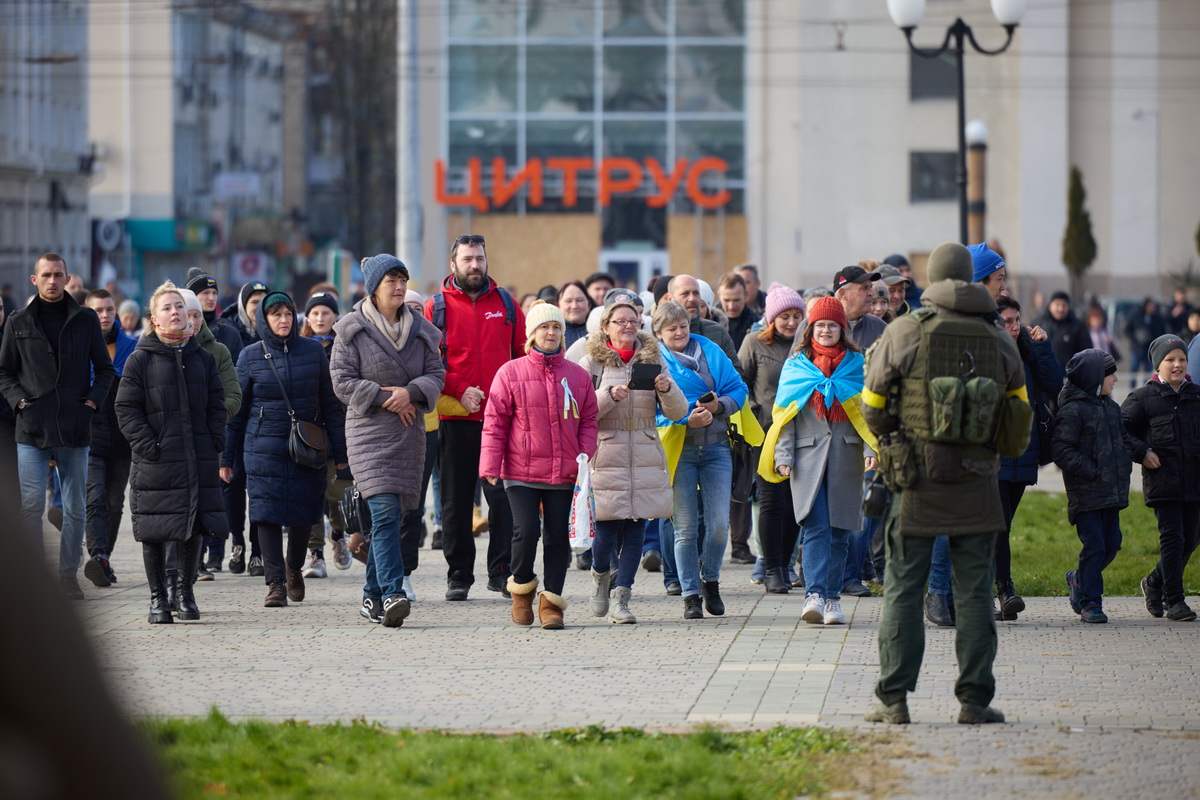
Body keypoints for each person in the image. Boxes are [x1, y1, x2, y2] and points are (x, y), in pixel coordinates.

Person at [862, 241, 1025, 725]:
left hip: (914, 481)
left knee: (903, 591)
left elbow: (873, 403)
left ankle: (894, 700)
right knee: (975, 593)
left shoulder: (906, 330)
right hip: (978, 482)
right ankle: (974, 701)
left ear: (931, 279)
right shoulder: (999, 337)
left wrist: (896, 439)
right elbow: (1018, 416)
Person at [331, 255, 444, 626]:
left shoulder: (423, 330)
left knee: (393, 519)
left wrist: (410, 392)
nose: (398, 287)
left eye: (402, 280)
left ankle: (370, 596)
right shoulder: (350, 329)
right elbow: (342, 381)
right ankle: (394, 591)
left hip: (408, 432)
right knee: (382, 511)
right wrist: (385, 396)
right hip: (368, 432)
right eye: (391, 280)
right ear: (373, 286)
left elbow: (436, 374)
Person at [0, 254, 116, 600]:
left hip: (75, 428)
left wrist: (91, 403)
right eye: (46, 275)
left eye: (58, 275)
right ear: (34, 279)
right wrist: (20, 402)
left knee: (76, 508)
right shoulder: (18, 322)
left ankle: (67, 576)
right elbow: (4, 372)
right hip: (31, 429)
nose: (52, 281)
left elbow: (105, 370)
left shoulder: (85, 320)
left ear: (68, 280)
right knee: (31, 506)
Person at [222, 292, 347, 608]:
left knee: (304, 511)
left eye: (288, 313)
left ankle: (294, 568)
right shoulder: (250, 356)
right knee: (265, 513)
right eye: (276, 314)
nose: (283, 320)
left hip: (307, 445)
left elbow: (330, 404)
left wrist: (342, 453)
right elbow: (237, 410)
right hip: (262, 446)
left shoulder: (313, 352)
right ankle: (275, 582)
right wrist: (226, 457)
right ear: (264, 319)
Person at [481, 301, 599, 629]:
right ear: (531, 334)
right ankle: (521, 590)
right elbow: (495, 422)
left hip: (565, 471)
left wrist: (584, 452)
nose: (551, 333)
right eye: (544, 327)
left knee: (557, 537)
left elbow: (589, 418)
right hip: (520, 471)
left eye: (557, 327)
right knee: (526, 531)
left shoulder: (576, 375)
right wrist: (490, 464)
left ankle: (552, 602)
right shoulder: (511, 372)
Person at [115, 282, 227, 623]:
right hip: (156, 462)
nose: (175, 312)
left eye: (179, 306)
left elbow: (217, 406)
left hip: (197, 458)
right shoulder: (140, 359)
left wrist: (213, 440)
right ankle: (157, 599)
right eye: (167, 307)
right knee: (155, 530)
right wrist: (149, 446)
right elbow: (126, 409)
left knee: (193, 525)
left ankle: (185, 592)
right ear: (155, 319)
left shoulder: (203, 359)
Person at [570, 298, 686, 624]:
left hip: (645, 453)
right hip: (606, 452)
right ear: (606, 327)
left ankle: (622, 598)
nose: (628, 326)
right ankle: (599, 578)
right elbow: (579, 412)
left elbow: (678, 412)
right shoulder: (590, 361)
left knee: (636, 529)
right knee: (606, 531)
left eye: (633, 320)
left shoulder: (653, 357)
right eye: (620, 321)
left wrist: (666, 388)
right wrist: (608, 396)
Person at [762, 296, 876, 626]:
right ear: (811, 328)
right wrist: (783, 455)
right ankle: (813, 594)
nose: (826, 330)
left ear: (843, 328)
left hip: (847, 455)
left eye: (833, 325)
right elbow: (785, 416)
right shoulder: (797, 365)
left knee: (840, 531)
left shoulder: (858, 363)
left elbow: (869, 412)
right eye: (820, 324)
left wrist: (872, 449)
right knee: (815, 526)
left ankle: (832, 599)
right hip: (806, 457)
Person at [425, 234, 526, 601]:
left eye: (479, 258)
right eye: (467, 259)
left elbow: (521, 355)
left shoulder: (508, 304)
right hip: (455, 419)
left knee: (502, 501)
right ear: (453, 265)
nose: (474, 265)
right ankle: (459, 574)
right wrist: (457, 388)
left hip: (501, 421)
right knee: (455, 501)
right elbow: (427, 362)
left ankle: (500, 572)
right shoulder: (434, 308)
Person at [654, 301, 756, 619]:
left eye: (683, 325)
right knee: (685, 527)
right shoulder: (653, 360)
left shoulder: (709, 348)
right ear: (658, 333)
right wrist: (686, 417)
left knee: (718, 526)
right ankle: (690, 594)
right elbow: (650, 410)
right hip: (679, 449)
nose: (680, 332)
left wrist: (719, 406)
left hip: (717, 448)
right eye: (671, 329)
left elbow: (739, 388)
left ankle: (710, 580)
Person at [1122, 335, 1200, 622]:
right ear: (1158, 364)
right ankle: (1175, 601)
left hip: (1194, 481)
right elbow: (1122, 431)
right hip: (1163, 481)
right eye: (1170, 360)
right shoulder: (1144, 398)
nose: (1177, 364)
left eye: (1181, 359)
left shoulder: (1196, 395)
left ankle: (1154, 583)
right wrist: (1142, 452)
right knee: (1172, 538)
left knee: (1190, 539)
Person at [994, 296, 1061, 620]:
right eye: (1007, 321)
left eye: (1017, 319)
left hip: (1023, 448)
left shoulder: (1026, 349)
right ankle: (1004, 589)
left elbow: (1052, 383)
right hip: (993, 450)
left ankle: (999, 590)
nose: (1015, 326)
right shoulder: (987, 351)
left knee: (1003, 524)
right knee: (998, 525)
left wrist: (1043, 348)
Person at [1053, 349, 1131, 624]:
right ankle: (1090, 602)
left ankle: (1078, 579)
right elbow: (1061, 449)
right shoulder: (1072, 411)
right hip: (1087, 494)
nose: (1116, 379)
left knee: (1112, 545)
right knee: (1095, 546)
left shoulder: (1111, 408)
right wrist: (1091, 470)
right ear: (1095, 378)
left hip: (1111, 492)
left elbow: (1124, 440)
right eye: (1111, 374)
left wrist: (1141, 453)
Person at [740, 284, 806, 593]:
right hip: (765, 435)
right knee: (771, 502)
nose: (791, 323)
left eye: (797, 316)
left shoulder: (807, 346)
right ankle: (771, 568)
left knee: (795, 505)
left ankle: (784, 565)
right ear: (772, 319)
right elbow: (740, 385)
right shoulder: (754, 344)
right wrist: (755, 415)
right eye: (785, 317)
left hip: (802, 435)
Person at [179, 288, 242, 583]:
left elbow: (233, 396)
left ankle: (199, 562)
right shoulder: (154, 351)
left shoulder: (216, 351)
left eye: (195, 315)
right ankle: (174, 570)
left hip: (206, 442)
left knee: (203, 504)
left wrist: (210, 420)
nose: (190, 321)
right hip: (167, 447)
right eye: (185, 314)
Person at [80, 289, 138, 587]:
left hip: (123, 441)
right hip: (90, 438)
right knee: (95, 499)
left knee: (115, 504)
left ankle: (104, 560)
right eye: (98, 311)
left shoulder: (132, 347)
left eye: (109, 310)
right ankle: (98, 554)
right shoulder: (78, 348)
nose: (104, 316)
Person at [300, 291, 354, 579]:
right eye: (315, 313)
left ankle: (338, 535)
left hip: (339, 433)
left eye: (326, 313)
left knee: (338, 496)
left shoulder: (345, 347)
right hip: (307, 435)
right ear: (307, 318)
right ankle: (316, 555)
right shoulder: (297, 348)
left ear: (336, 317)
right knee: (310, 497)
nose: (320, 318)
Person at [218, 281, 268, 576]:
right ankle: (237, 541)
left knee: (261, 489)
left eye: (264, 303)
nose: (259, 308)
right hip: (236, 419)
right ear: (243, 305)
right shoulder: (228, 332)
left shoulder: (275, 331)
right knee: (233, 485)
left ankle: (259, 550)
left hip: (264, 424)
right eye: (254, 302)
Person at [661, 275, 741, 374]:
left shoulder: (718, 332)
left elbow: (736, 372)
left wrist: (719, 389)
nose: (692, 299)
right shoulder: (657, 333)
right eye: (685, 294)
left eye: (696, 293)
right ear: (670, 299)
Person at [185, 268, 242, 363]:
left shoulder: (230, 333)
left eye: (214, 293)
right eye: (206, 293)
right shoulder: (179, 330)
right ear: (192, 296)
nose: (211, 298)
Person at [832, 266, 887, 351]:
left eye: (870, 287)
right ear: (843, 294)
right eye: (864, 288)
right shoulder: (813, 326)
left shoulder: (881, 328)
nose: (871, 293)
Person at [1034, 291, 1091, 368]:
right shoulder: (1038, 324)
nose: (1060, 309)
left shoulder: (1078, 326)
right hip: (1043, 374)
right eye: (1057, 305)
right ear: (1050, 306)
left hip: (1069, 375)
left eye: (1064, 305)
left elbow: (1086, 352)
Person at [1125, 298, 1167, 387]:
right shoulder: (1136, 315)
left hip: (1150, 348)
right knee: (1134, 369)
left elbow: (1161, 331)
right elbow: (1127, 329)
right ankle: (1131, 388)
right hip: (1137, 348)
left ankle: (1146, 387)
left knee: (1148, 371)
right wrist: (1136, 337)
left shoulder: (1157, 317)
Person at [557, 280, 593, 350]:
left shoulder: (598, 332)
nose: (574, 306)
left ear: (589, 304)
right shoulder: (554, 335)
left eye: (580, 300)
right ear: (558, 306)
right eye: (568, 301)